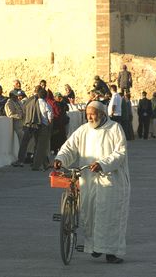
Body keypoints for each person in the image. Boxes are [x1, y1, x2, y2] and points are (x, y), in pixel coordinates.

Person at [53, 101, 130, 264]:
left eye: (93, 113)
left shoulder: (114, 128)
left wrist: (103, 164)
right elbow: (69, 147)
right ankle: (95, 246)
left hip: (111, 181)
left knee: (109, 217)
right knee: (90, 214)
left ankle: (111, 252)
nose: (89, 117)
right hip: (88, 180)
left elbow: (120, 152)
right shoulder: (83, 130)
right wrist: (60, 159)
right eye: (87, 114)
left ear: (102, 114)